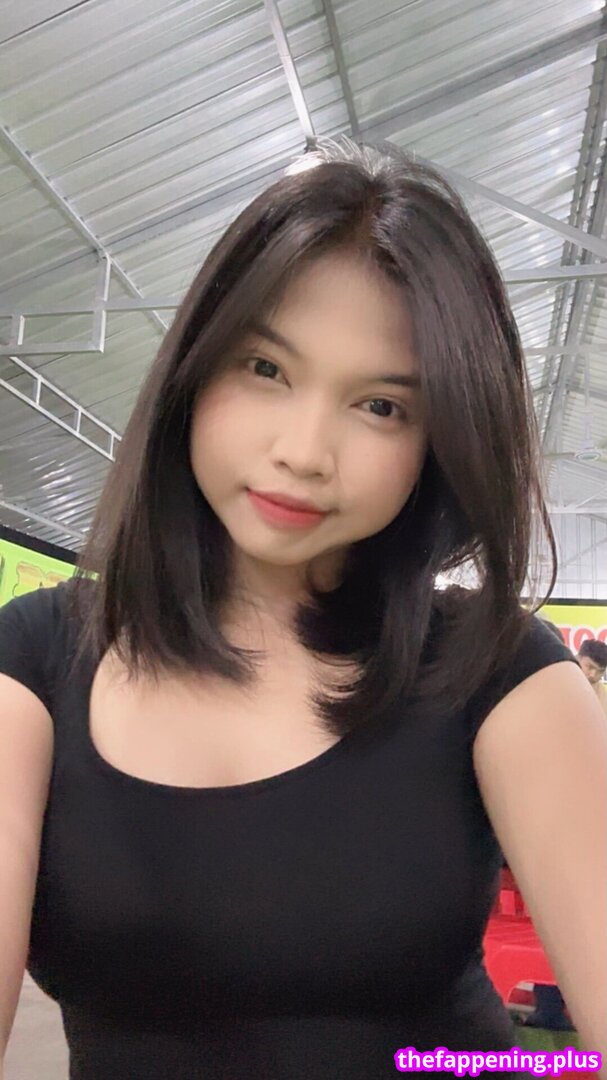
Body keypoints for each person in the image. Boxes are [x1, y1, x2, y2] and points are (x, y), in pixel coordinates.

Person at [0, 140, 605, 1080]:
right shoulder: (34, 664)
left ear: (440, 441)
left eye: (380, 407)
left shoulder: (499, 674)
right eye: (265, 368)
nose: (304, 451)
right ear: (194, 370)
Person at [578, 638, 607, 717]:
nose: (593, 675)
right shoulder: (561, 682)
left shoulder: (602, 693)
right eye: (589, 666)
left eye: (600, 671)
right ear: (578, 659)